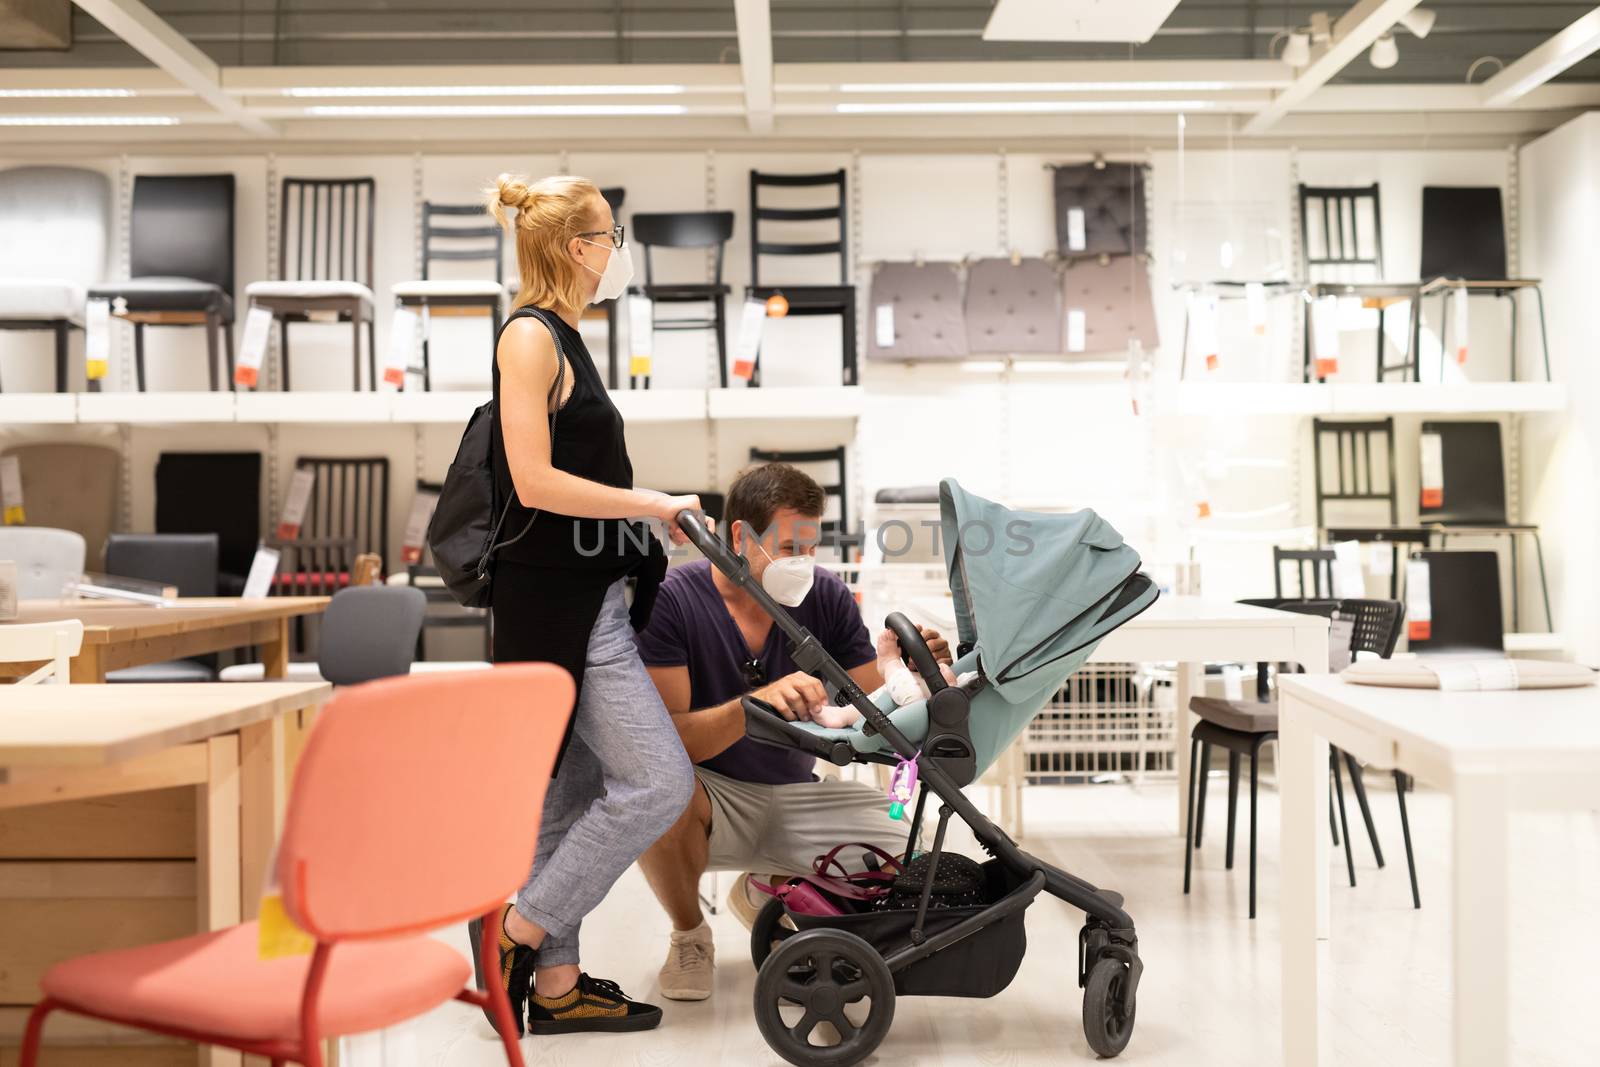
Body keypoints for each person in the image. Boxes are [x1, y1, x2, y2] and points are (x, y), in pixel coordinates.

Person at [473, 173, 699, 1036]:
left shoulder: (567, 334)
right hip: (557, 609)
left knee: (566, 792)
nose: (614, 250)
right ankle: (516, 931)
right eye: (609, 236)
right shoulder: (531, 338)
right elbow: (532, 480)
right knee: (658, 780)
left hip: (585, 596)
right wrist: (651, 503)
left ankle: (557, 987)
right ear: (578, 248)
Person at [633, 462, 950, 1001]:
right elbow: (673, 742)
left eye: (811, 547)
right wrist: (753, 705)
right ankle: (690, 936)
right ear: (740, 536)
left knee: (909, 847)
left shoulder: (822, 594)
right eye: (787, 547)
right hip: (711, 799)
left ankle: (768, 892)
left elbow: (860, 688)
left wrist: (906, 665)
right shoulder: (672, 600)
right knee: (654, 791)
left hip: (797, 793)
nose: (803, 562)